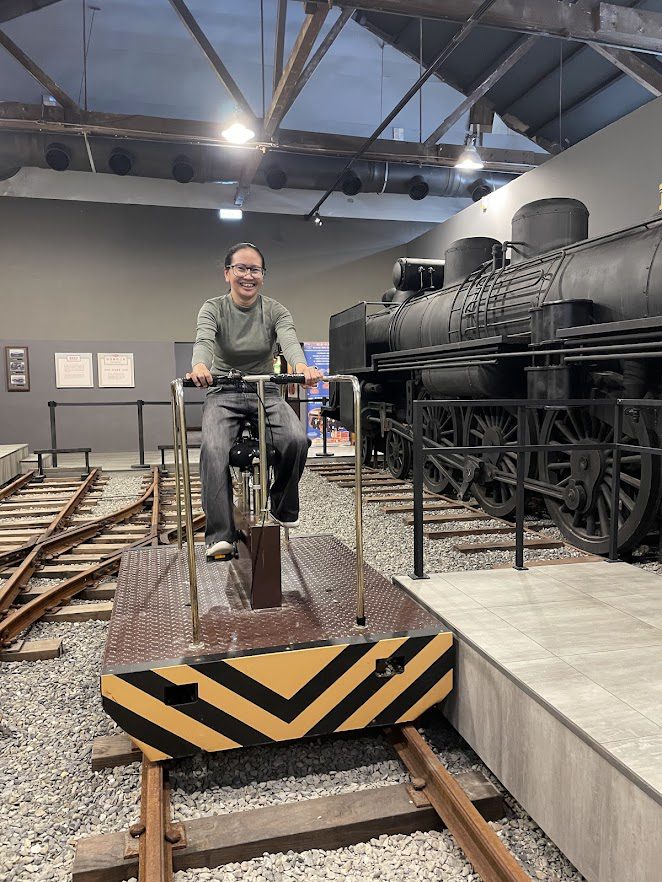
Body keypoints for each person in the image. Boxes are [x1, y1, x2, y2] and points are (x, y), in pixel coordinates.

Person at [188, 242, 322, 558]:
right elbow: (204, 339)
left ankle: (282, 504)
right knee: (214, 448)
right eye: (241, 268)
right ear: (227, 273)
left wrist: (301, 367)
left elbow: (288, 340)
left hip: (266, 389)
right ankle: (220, 534)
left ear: (263, 275)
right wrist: (200, 365)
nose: (248, 275)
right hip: (224, 390)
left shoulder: (275, 310)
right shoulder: (213, 308)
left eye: (255, 269)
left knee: (296, 439)